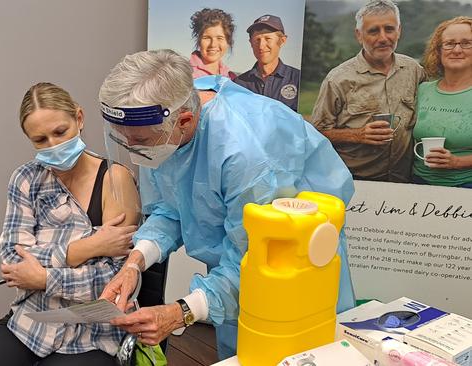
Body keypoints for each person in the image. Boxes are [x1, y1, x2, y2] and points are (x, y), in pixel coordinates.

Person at [98, 49, 356, 360]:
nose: (133, 149)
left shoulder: (247, 153)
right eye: (125, 140)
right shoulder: (162, 127)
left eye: (138, 141)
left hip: (293, 274)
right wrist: (134, 263)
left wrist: (179, 314)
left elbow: (257, 259)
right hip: (233, 270)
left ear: (185, 120)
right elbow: (171, 209)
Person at [0, 82, 140, 366]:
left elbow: (114, 283)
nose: (53, 146)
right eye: (40, 140)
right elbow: (12, 262)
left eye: (60, 132)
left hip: (93, 330)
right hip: (33, 322)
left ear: (79, 119)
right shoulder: (25, 179)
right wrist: (89, 247)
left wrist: (43, 278)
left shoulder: (115, 180)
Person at [311, 0, 426, 183]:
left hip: (404, 181)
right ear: (359, 35)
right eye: (373, 31)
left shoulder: (414, 70)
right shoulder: (339, 79)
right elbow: (316, 132)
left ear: (399, 30)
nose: (383, 38)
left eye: (389, 29)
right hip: (355, 182)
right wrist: (357, 134)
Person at [412, 16, 472, 188]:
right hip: (419, 184)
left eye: (466, 43)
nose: (457, 49)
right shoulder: (423, 90)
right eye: (449, 43)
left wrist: (457, 162)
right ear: (437, 51)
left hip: (467, 186)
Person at [234, 14, 301, 111]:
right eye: (257, 40)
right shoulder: (239, 84)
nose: (261, 46)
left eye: (268, 39)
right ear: (251, 43)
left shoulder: (297, 79)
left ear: (282, 40)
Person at [189, 8, 237, 80]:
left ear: (228, 42)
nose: (213, 45)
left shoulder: (231, 78)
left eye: (219, 38)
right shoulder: (184, 73)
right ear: (199, 41)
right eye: (207, 38)